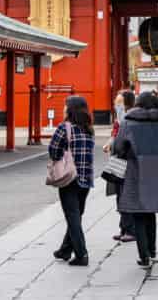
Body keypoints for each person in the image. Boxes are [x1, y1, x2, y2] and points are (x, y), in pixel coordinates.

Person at [112, 91, 158, 269]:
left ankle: (144, 255)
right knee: (150, 211)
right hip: (154, 169)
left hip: (133, 168)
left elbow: (118, 147)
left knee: (137, 212)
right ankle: (152, 249)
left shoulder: (128, 123)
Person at [48, 96, 95, 266]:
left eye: (65, 106)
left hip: (69, 177)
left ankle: (81, 254)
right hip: (86, 178)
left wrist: (60, 157)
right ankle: (65, 249)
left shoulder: (64, 127)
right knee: (76, 214)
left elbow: (53, 150)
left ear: (70, 109)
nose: (63, 109)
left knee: (72, 216)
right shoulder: (89, 129)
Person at [104, 89, 137, 243]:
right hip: (118, 160)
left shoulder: (133, 119)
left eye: (119, 103)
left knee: (126, 194)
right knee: (119, 193)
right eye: (115, 103)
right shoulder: (119, 119)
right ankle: (124, 227)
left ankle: (131, 229)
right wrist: (110, 143)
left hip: (128, 161)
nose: (116, 106)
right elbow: (115, 134)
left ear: (128, 104)